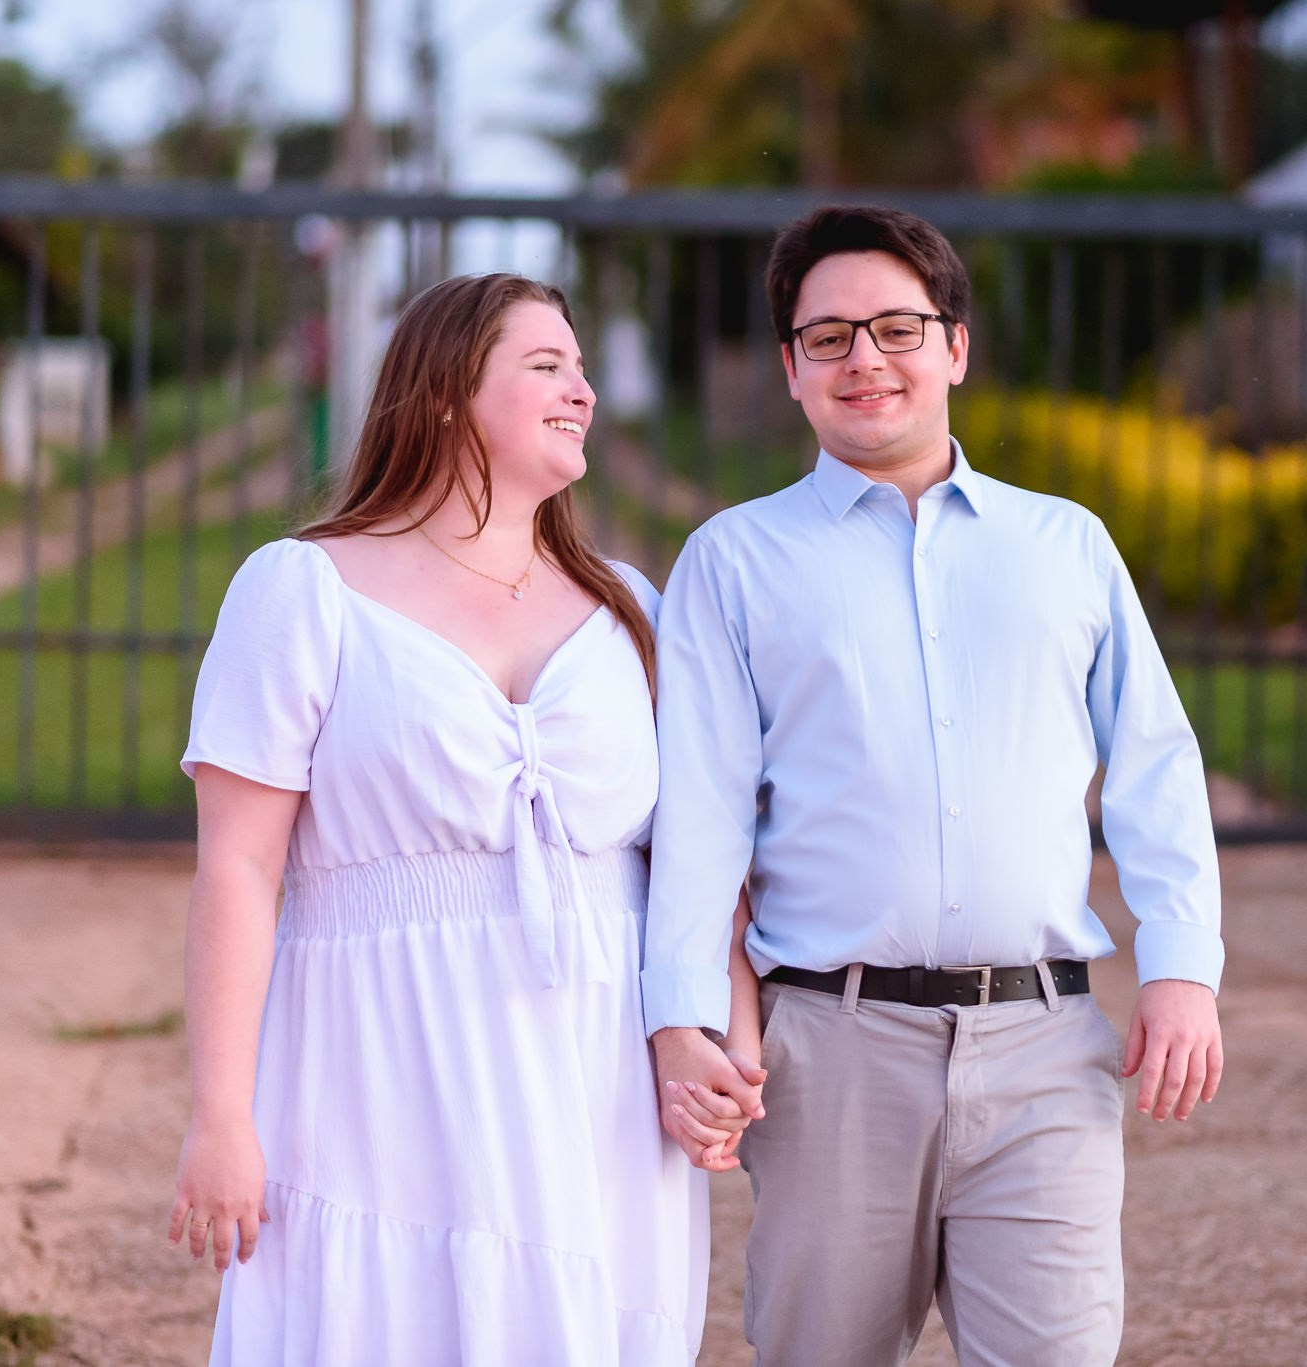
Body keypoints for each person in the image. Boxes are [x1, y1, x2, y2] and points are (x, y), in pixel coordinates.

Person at [643, 206, 1227, 1366]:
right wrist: (677, 1017)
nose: (865, 357)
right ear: (790, 369)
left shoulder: (1065, 545)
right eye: (828, 337)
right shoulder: (734, 560)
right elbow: (699, 809)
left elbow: (1155, 762)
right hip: (828, 1054)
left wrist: (1182, 966)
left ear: (954, 346)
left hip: (1044, 1045)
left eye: (897, 327)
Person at [170, 273, 716, 1364]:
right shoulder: (302, 590)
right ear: (442, 395)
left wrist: (700, 1028)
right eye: (546, 365)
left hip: (590, 1076)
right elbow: (236, 866)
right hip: (379, 1066)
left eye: (582, 366)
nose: (584, 391)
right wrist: (220, 1112)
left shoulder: (631, 605)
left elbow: (694, 864)